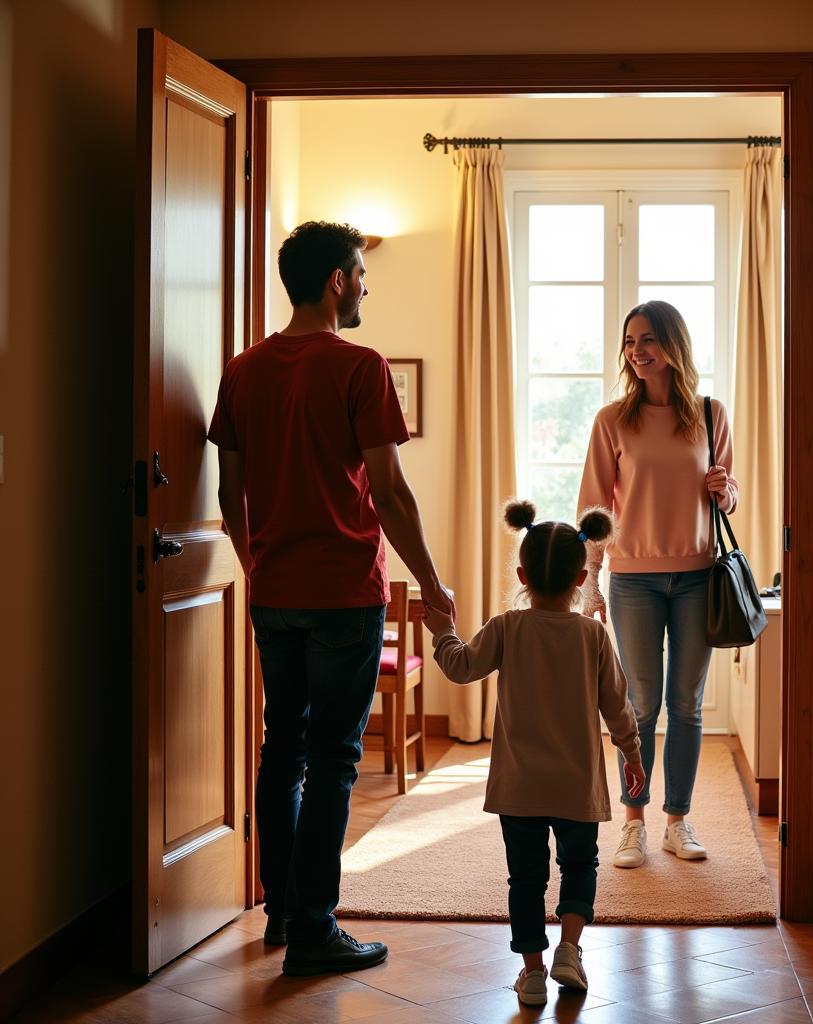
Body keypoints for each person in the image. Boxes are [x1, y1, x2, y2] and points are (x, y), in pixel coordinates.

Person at [208, 220, 455, 977]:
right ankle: (315, 930)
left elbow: (229, 490)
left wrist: (259, 566)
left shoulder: (244, 369)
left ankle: (282, 913)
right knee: (335, 759)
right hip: (345, 595)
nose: (367, 288)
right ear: (338, 281)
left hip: (274, 593)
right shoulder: (359, 366)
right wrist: (437, 586)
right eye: (361, 274)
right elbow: (390, 492)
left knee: (280, 750)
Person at [422, 499, 644, 1007]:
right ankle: (569, 948)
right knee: (579, 865)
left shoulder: (507, 627)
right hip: (575, 784)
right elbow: (617, 705)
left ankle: (533, 973)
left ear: (522, 574)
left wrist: (441, 630)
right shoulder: (592, 635)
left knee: (524, 877)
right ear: (582, 577)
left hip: (519, 788)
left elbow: (459, 666)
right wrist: (631, 754)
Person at [576, 299, 738, 870]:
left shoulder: (710, 413)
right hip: (633, 581)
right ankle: (634, 822)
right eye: (629, 341)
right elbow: (594, 507)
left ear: (672, 344)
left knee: (686, 706)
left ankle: (678, 820)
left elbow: (730, 493)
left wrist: (725, 490)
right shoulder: (612, 420)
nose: (636, 351)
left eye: (646, 340)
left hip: (698, 577)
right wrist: (590, 579)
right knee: (640, 705)